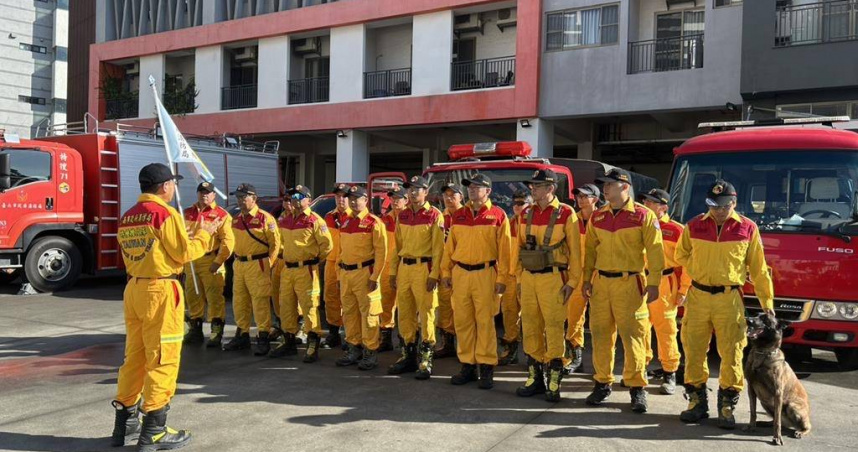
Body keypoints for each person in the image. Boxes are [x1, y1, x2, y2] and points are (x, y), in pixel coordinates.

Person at [112, 163, 221, 450]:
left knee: (134, 358)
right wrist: (205, 233)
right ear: (164, 186)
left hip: (134, 288)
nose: (175, 188)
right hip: (161, 290)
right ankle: (155, 430)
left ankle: (125, 424)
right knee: (163, 358)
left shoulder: (128, 216)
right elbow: (184, 253)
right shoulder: (163, 213)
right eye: (173, 183)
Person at [676, 180, 774, 429]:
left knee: (732, 352)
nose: (719, 210)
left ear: (734, 202)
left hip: (729, 298)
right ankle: (696, 402)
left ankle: (727, 404)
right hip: (697, 296)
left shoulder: (748, 229)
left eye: (724, 205)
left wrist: (767, 303)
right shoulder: (694, 225)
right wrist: (700, 268)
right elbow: (681, 254)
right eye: (714, 205)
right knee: (694, 349)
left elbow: (759, 269)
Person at [582, 168, 664, 413]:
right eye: (603, 185)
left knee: (633, 337)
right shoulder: (597, 217)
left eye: (610, 184)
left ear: (625, 187)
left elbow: (656, 252)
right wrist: (587, 280)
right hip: (601, 284)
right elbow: (590, 253)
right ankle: (602, 383)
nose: (605, 188)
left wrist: (654, 283)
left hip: (630, 284)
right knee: (600, 335)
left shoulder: (644, 216)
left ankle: (637, 388)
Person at [511, 170, 581, 402]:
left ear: (550, 188)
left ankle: (553, 379)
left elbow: (575, 252)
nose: (533, 190)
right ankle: (535, 377)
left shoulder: (566, 213)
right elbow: (519, 248)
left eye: (538, 186)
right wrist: (519, 278)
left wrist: (572, 281)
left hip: (554, 278)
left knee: (553, 327)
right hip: (530, 278)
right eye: (532, 186)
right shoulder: (527, 213)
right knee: (530, 326)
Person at [441, 173, 511, 390]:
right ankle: (467, 365)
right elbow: (450, 247)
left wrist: (502, 279)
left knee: (485, 323)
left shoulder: (498, 216)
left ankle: (487, 366)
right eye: (470, 187)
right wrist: (445, 272)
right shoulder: (459, 215)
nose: (472, 190)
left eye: (477, 187)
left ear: (488, 191)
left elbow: (505, 252)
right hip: (460, 273)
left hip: (486, 274)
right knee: (463, 322)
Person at [387, 176, 445, 379]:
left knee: (426, 314)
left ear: (425, 192)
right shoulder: (401, 215)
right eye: (410, 189)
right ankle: (408, 356)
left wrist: (434, 274)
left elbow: (439, 250)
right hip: (405, 268)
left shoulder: (434, 215)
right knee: (405, 313)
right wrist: (393, 272)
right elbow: (397, 247)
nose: (412, 193)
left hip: (424, 269)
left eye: (417, 189)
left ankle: (426, 358)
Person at [269, 185, 333, 362]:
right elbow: (280, 242)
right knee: (286, 306)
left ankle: (313, 343)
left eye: (299, 196)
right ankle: (289, 341)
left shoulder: (315, 221)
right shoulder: (286, 219)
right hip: (287, 270)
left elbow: (327, 246)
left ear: (308, 199)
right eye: (292, 197)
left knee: (309, 306)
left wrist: (313, 260)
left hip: (306, 270)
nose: (295, 199)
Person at [641, 188, 691, 395]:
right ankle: (639, 368)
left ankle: (670, 372)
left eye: (651, 202)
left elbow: (688, 263)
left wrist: (683, 289)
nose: (646, 204)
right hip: (640, 280)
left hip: (664, 283)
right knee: (639, 327)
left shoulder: (676, 230)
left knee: (666, 330)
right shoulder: (639, 224)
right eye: (645, 200)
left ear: (663, 207)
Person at [223, 183, 281, 356]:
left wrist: (269, 264)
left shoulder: (265, 218)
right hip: (239, 264)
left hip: (258, 263)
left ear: (254, 198)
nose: (240, 201)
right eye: (238, 197)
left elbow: (275, 244)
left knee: (260, 301)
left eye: (243, 197)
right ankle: (242, 334)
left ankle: (263, 335)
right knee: (239, 301)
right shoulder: (236, 218)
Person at [335, 185, 388, 370]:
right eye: (350, 198)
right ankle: (353, 348)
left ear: (365, 200)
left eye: (357, 198)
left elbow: (382, 253)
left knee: (369, 315)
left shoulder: (374, 223)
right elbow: (341, 251)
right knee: (349, 313)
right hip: (346, 274)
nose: (352, 201)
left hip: (365, 274)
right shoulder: (346, 221)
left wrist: (375, 276)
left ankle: (370, 352)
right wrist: (338, 274)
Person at [182, 182, 234, 348]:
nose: (204, 195)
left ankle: (216, 331)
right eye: (201, 192)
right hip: (191, 261)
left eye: (208, 192)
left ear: (214, 195)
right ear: (197, 193)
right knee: (192, 296)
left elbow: (228, 242)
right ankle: (195, 330)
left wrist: (218, 262)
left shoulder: (221, 215)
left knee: (214, 298)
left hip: (210, 260)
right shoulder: (187, 213)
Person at [563, 183, 601, 374]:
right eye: (578, 196)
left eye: (585, 196)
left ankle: (602, 363)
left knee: (601, 320)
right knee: (574, 316)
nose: (580, 200)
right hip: (577, 274)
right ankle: (574, 356)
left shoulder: (602, 219)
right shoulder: (571, 220)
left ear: (595, 199)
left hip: (599, 275)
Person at [498, 189, 531, 366]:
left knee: (531, 316)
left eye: (522, 203)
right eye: (515, 203)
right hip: (510, 276)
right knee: (509, 314)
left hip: (527, 276)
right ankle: (510, 351)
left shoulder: (532, 223)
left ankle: (534, 355)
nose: (517, 207)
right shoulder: (509, 223)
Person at [435, 182, 464, 359]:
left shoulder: (466, 215)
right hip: (444, 268)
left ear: (461, 197)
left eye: (453, 195)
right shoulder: (440, 217)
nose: (449, 198)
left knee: (463, 307)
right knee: (445, 305)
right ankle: (448, 343)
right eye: (446, 195)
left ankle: (465, 345)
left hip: (463, 268)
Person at [322, 184, 352, 349]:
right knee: (331, 298)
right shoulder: (328, 217)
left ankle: (350, 335)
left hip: (348, 264)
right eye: (338, 196)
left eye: (344, 196)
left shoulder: (354, 217)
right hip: (331, 262)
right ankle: (333, 333)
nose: (341, 199)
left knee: (348, 299)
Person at [379, 186, 408, 352]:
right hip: (387, 266)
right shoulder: (385, 220)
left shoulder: (409, 218)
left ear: (406, 200)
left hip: (405, 266)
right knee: (386, 302)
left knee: (406, 305)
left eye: (399, 198)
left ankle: (405, 339)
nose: (395, 201)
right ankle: (386, 337)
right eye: (393, 198)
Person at [270, 196, 295, 344]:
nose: (287, 203)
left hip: (290, 261)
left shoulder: (298, 218)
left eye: (290, 200)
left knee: (293, 296)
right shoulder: (279, 217)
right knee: (276, 294)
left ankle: (298, 326)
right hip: (278, 259)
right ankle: (280, 323)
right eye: (285, 200)